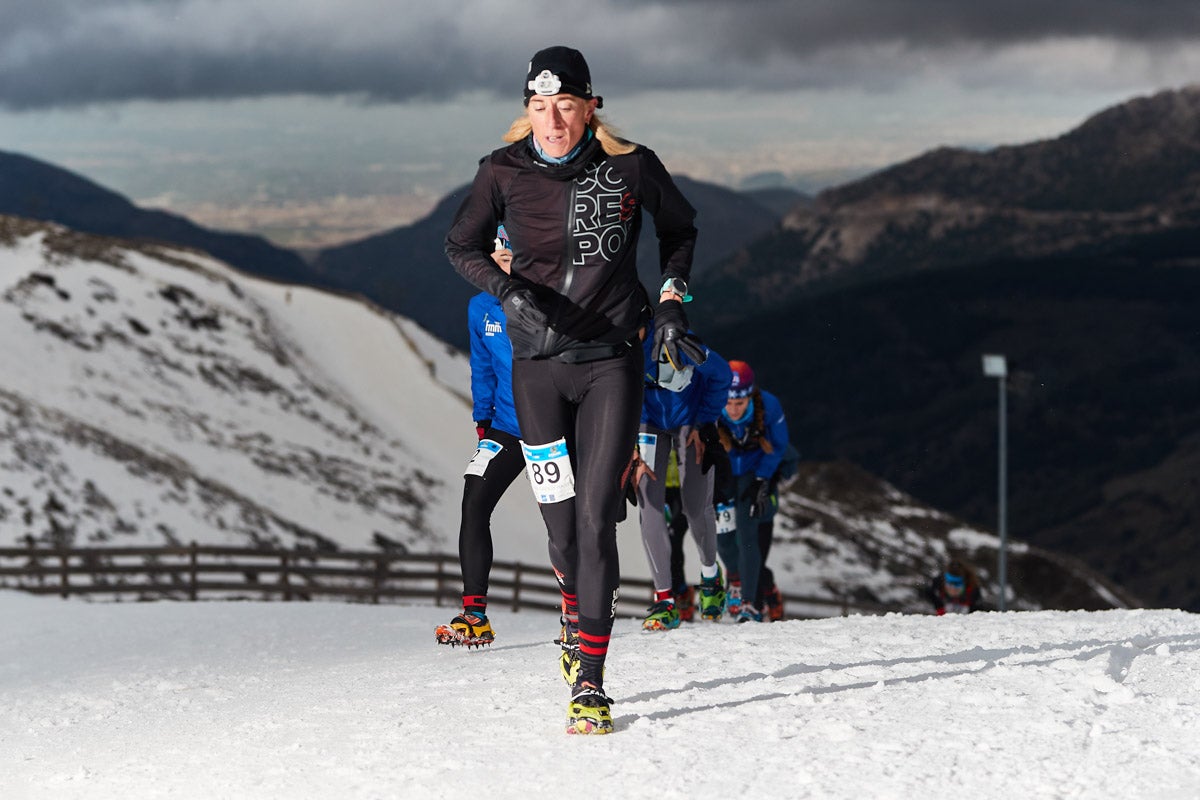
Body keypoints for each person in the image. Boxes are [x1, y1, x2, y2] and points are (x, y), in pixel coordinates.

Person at [444, 45, 699, 735]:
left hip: (610, 363)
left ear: (591, 106)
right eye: (538, 106)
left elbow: (680, 228)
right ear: (526, 110)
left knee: (594, 523)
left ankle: (591, 681)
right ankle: (569, 601)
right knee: (560, 534)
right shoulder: (501, 171)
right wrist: (504, 291)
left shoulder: (630, 165)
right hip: (536, 374)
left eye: (564, 105)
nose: (552, 120)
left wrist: (672, 302)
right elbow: (459, 246)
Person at [435, 227, 527, 648]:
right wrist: (482, 419)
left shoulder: (548, 297)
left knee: (567, 520)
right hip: (506, 427)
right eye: (496, 253)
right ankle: (474, 614)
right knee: (474, 498)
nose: (502, 259)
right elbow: (483, 367)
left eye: (509, 252)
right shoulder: (481, 307)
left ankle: (577, 612)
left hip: (555, 428)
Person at [634, 321, 732, 630]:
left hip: (690, 422)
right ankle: (665, 599)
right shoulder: (615, 346)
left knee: (693, 505)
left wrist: (707, 422)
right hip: (648, 422)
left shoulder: (673, 339)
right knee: (648, 504)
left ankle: (710, 575)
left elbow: (721, 374)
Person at [715, 360, 790, 623]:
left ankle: (750, 603)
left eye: (740, 404)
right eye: (729, 403)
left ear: (750, 396)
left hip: (752, 472)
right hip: (724, 473)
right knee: (723, 535)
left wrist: (762, 479)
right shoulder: (711, 404)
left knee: (747, 530)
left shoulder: (768, 406)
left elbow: (779, 445)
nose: (733, 410)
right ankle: (733, 576)